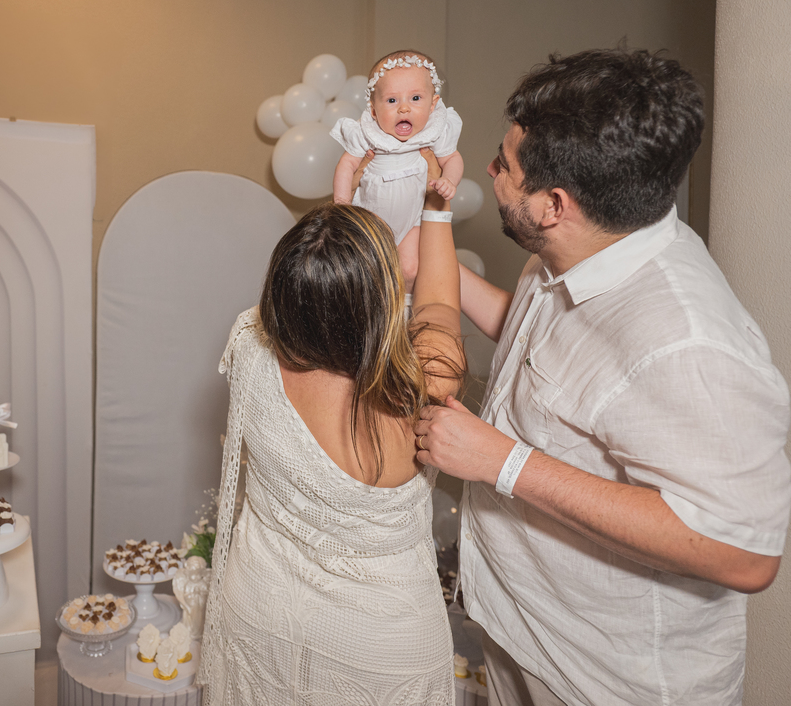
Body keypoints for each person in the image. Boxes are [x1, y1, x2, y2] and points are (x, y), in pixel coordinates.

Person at [414, 48, 791, 706]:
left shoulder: (690, 342)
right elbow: (550, 352)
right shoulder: (586, 238)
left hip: (604, 679)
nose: (491, 170)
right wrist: (437, 270)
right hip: (520, 626)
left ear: (553, 204)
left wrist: (503, 462)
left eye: (505, 164)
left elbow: (742, 553)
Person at [200, 150, 466, 705]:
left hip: (261, 616)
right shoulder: (418, 390)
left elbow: (316, 290)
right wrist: (434, 207)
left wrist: (339, 226)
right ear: (382, 304)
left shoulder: (249, 346)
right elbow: (439, 305)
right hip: (378, 652)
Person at [331, 49, 465, 290]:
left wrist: (449, 180)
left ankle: (405, 308)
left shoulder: (434, 131)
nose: (404, 108)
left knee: (411, 269)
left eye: (416, 98)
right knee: (365, 271)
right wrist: (341, 204)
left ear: (433, 104)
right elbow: (346, 165)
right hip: (371, 216)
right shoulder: (368, 133)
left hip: (412, 218)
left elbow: (452, 159)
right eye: (392, 101)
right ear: (374, 110)